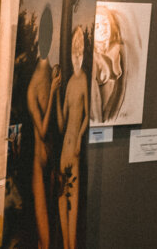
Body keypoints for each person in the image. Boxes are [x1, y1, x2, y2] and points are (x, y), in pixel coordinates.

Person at [26, 5, 60, 249]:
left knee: (52, 229)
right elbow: (43, 129)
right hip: (39, 163)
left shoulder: (50, 72)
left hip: (52, 158)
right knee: (44, 235)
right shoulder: (36, 83)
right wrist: (55, 91)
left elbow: (58, 123)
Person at [57, 25, 88, 249]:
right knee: (61, 195)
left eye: (80, 46)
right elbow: (62, 121)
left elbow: (87, 114)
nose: (76, 51)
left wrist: (78, 139)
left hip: (73, 146)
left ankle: (71, 245)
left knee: (73, 198)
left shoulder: (84, 79)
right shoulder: (69, 83)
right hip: (64, 148)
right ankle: (66, 243)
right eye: (74, 46)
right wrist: (55, 94)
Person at [92, 6, 125, 122]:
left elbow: (121, 89)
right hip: (98, 119)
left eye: (105, 24)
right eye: (97, 26)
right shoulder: (93, 57)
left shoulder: (117, 51)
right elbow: (94, 98)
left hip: (112, 117)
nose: (103, 29)